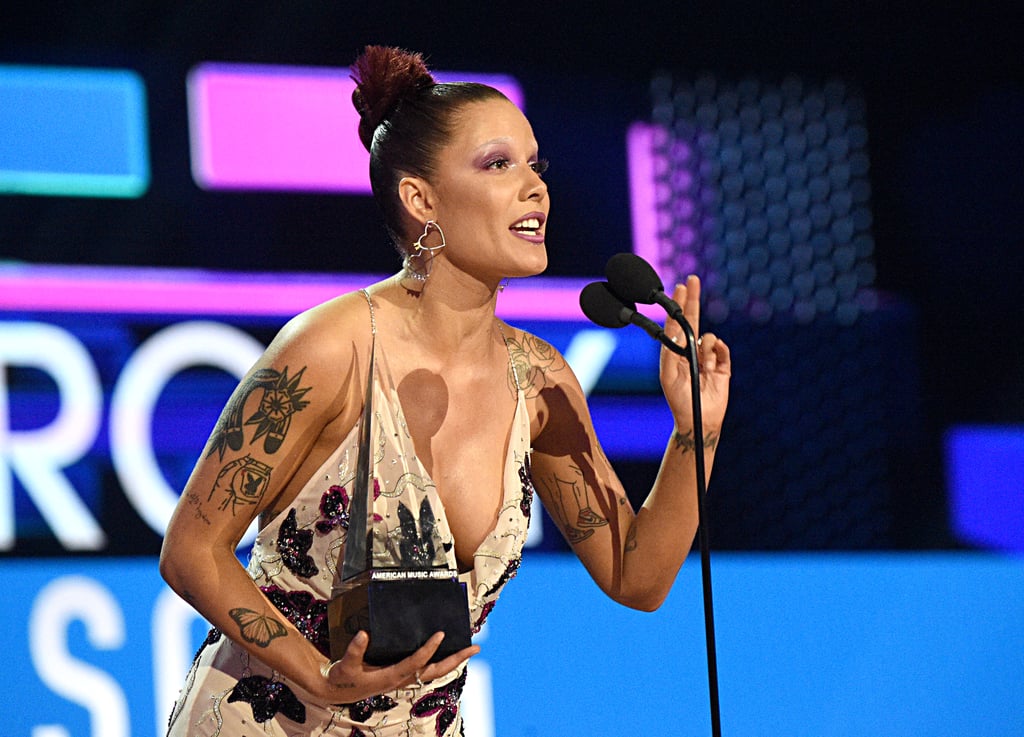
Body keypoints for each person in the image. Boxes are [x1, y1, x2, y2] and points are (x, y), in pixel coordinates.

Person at [160, 44, 731, 736]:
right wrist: (318, 675)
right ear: (420, 197)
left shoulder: (541, 381)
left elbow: (637, 577)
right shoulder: (331, 348)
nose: (535, 187)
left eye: (535, 165)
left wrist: (695, 428)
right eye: (499, 164)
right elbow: (192, 549)